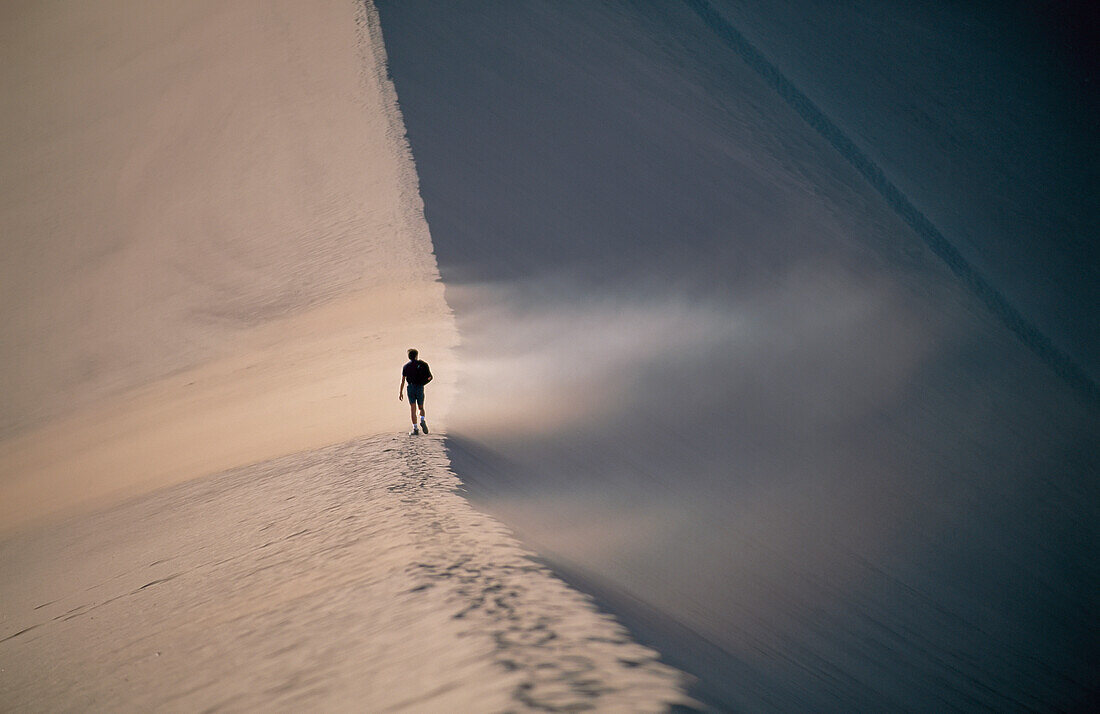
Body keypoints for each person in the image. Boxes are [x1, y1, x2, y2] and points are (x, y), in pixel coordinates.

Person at [399, 348, 432, 435]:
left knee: (413, 409)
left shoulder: (406, 366)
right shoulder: (422, 364)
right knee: (421, 407)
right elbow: (430, 377)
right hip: (420, 387)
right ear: (416, 356)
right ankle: (422, 420)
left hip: (410, 388)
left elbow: (403, 380)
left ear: (409, 357)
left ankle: (415, 429)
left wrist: (400, 392)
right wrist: (423, 383)